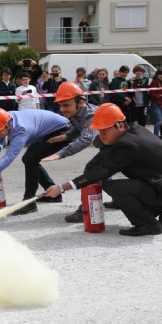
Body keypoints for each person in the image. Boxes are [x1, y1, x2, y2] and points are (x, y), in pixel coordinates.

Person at [44, 103, 162, 236]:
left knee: (115, 187)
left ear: (120, 125)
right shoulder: (134, 130)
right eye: (99, 130)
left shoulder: (127, 146)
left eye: (105, 130)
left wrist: (62, 187)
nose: (101, 134)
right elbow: (97, 164)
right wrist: (89, 172)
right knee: (119, 183)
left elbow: (102, 171)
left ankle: (148, 224)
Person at [0, 107, 70, 216]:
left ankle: (29, 202)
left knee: (30, 159)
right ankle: (53, 195)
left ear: (9, 125)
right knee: (29, 159)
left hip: (62, 131)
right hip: (48, 130)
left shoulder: (20, 130)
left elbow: (8, 159)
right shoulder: (5, 118)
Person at [40, 83, 99, 223]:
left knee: (92, 171)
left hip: (122, 148)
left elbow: (86, 138)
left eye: (66, 105)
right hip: (110, 148)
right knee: (101, 174)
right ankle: (117, 199)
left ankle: (85, 211)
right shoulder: (77, 113)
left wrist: (61, 154)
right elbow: (78, 128)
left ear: (81, 102)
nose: (63, 109)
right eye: (60, 105)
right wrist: (66, 136)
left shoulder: (90, 114)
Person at [149, 70, 162, 140]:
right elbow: (151, 93)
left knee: (160, 122)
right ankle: (156, 137)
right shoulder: (154, 82)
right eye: (159, 74)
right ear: (157, 75)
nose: (161, 76)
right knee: (159, 121)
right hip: (155, 103)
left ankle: (156, 136)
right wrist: (160, 95)